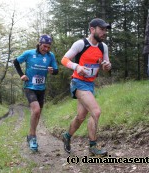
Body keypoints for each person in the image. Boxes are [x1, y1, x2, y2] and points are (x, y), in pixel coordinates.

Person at [60, 18, 112, 157]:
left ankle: (67, 136)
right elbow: (64, 59)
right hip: (78, 82)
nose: (104, 32)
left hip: (90, 84)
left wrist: (107, 66)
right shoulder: (81, 44)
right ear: (92, 29)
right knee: (96, 112)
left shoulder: (103, 47)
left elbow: (106, 65)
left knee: (81, 116)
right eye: (101, 29)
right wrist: (77, 67)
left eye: (105, 30)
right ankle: (93, 146)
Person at [13, 34, 58, 152]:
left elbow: (56, 70)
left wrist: (52, 71)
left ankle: (30, 135)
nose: (46, 49)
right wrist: (21, 75)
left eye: (48, 47)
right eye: (44, 46)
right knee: (36, 110)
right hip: (29, 86)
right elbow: (15, 62)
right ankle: (33, 137)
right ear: (39, 44)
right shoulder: (29, 53)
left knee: (38, 114)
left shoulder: (50, 56)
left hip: (41, 88)